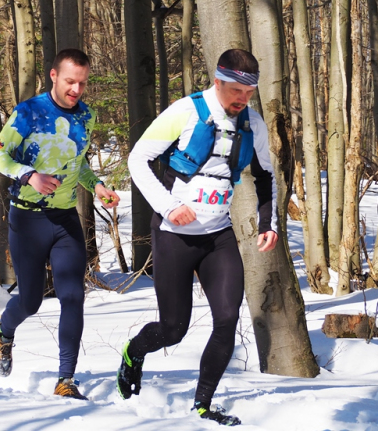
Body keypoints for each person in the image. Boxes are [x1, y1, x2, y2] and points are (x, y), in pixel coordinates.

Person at [118, 48, 278, 426]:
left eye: (249, 93)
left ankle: (203, 406)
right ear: (218, 81)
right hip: (174, 235)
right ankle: (133, 352)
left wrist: (268, 223)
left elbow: (265, 175)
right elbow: (137, 159)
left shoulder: (252, 123)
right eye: (236, 91)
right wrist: (169, 206)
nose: (242, 99)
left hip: (217, 237)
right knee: (173, 329)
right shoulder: (186, 111)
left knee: (227, 318)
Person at [0, 48, 119, 400]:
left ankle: (66, 380)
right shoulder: (29, 112)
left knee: (73, 296)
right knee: (30, 302)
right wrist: (29, 175)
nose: (76, 89)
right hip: (27, 219)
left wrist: (97, 186)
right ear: (54, 76)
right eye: (70, 81)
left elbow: (78, 163)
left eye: (83, 83)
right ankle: (3, 330)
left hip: (64, 220)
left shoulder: (86, 116)